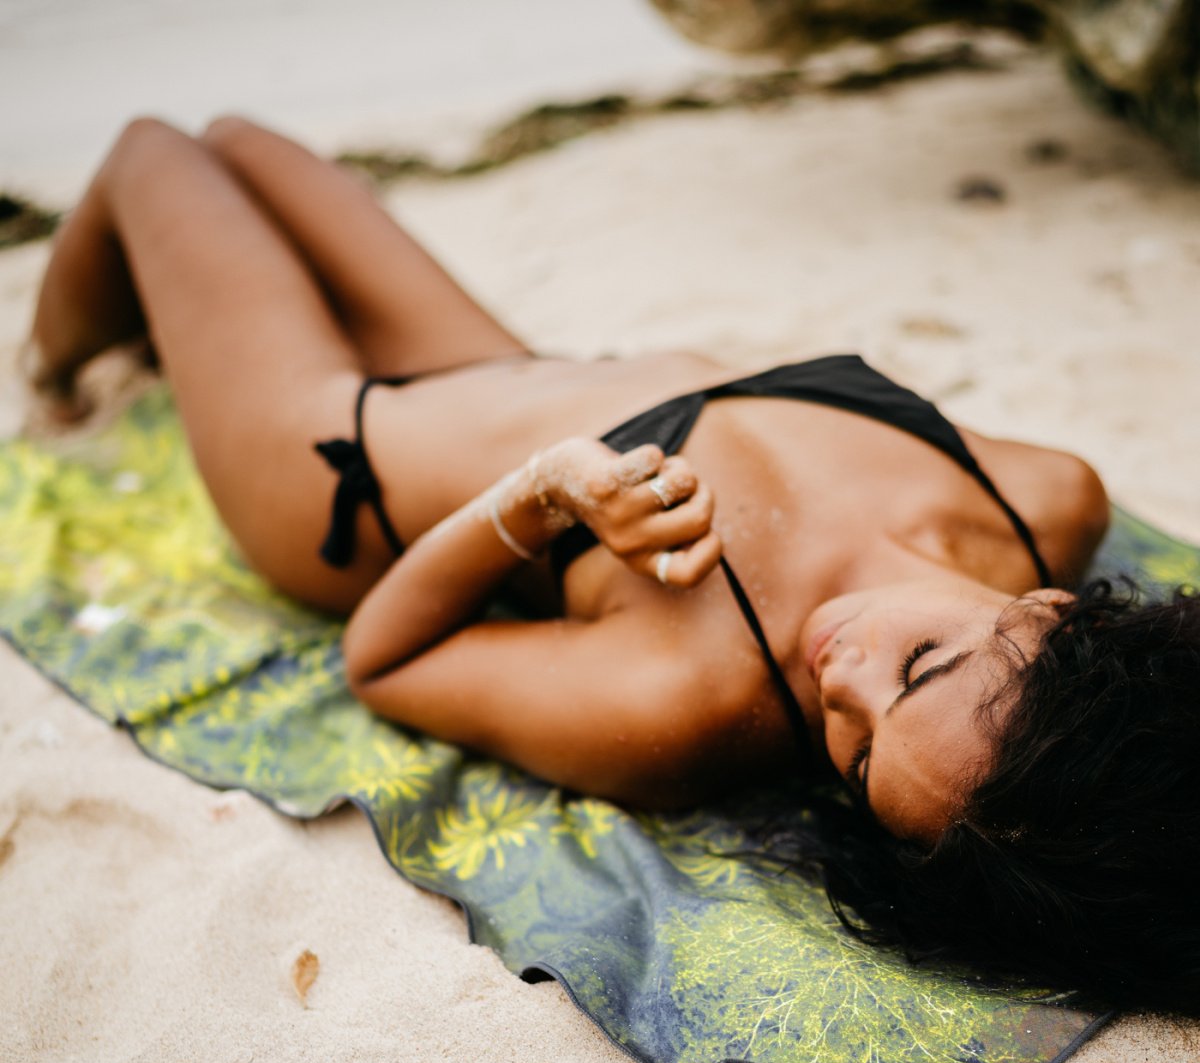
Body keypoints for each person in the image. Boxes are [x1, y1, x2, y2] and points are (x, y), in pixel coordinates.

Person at [22, 117, 1199, 1014]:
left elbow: (386, 658)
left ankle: (50, 366)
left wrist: (535, 502)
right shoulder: (1047, 495)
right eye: (922, 666)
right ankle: (161, 309)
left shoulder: (688, 698)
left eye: (854, 754)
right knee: (242, 145)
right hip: (511, 375)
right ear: (1051, 611)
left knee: (149, 158)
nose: (838, 681)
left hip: (341, 460)